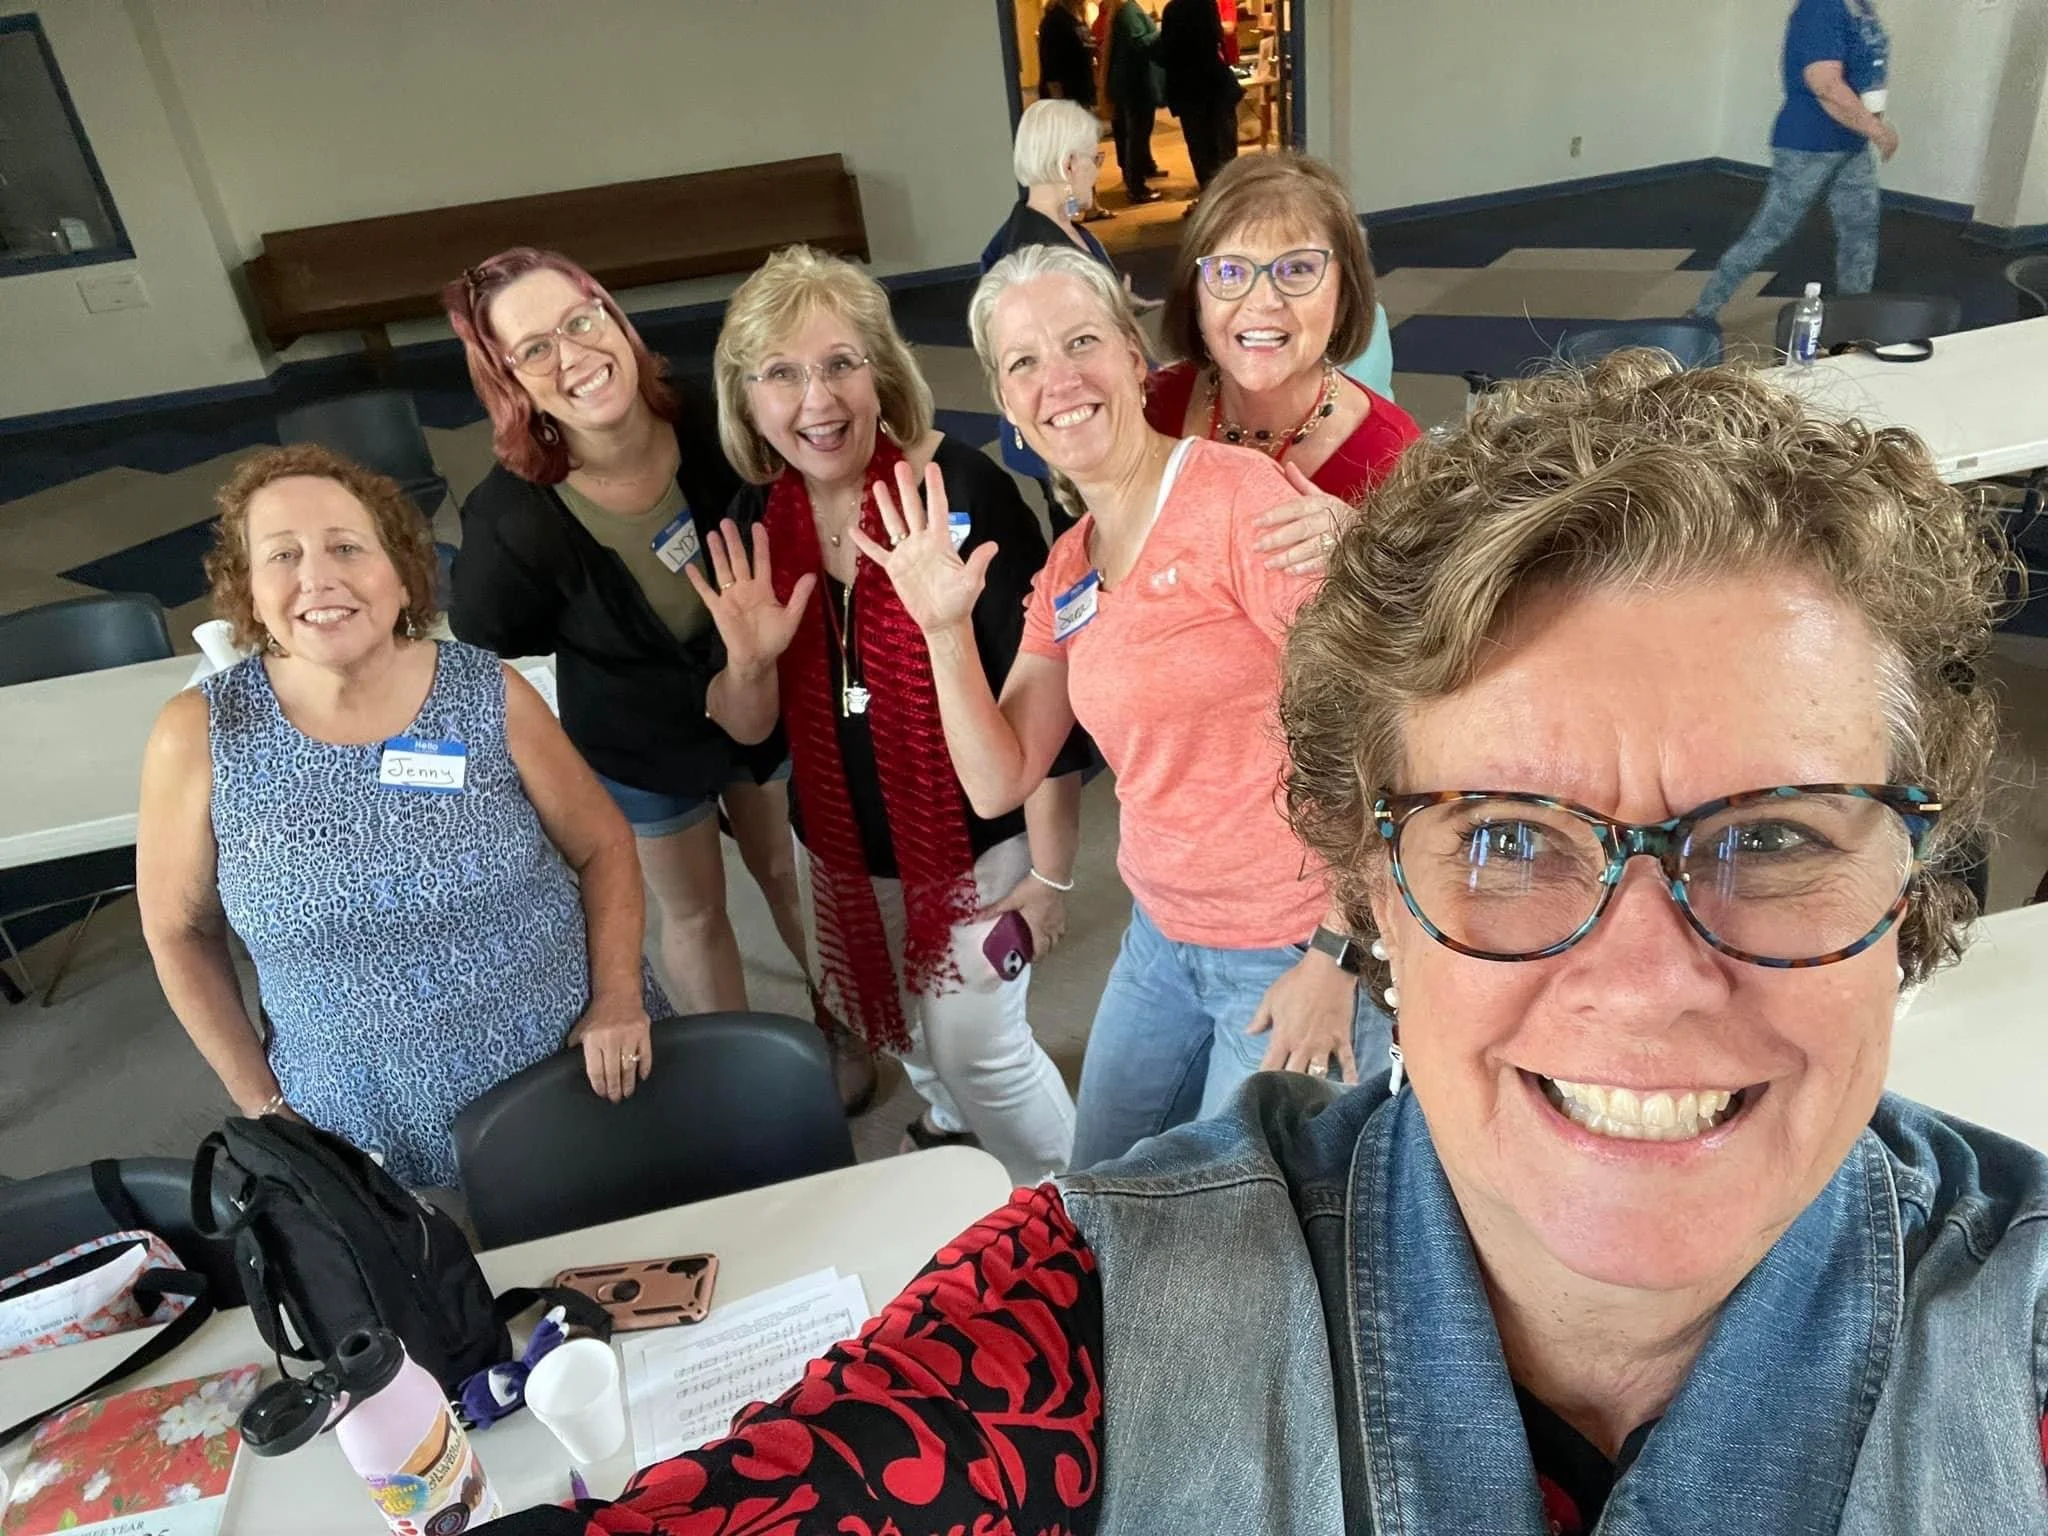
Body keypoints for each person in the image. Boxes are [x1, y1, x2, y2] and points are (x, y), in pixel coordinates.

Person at [496, 356, 2048, 1536]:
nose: (1646, 982)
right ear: (1373, 888)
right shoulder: (1088, 1319)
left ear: (1918, 884)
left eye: (1772, 837)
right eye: (1509, 840)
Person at [865, 242, 1388, 1169]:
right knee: (1101, 1189)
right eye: (1024, 362)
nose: (1058, 380)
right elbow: (999, 779)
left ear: (1134, 357)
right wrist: (943, 629)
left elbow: (1387, 726)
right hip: (1161, 941)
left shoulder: (1237, 503)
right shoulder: (1070, 564)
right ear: (1006, 401)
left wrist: (1338, 954)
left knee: (1235, 1225)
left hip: (1295, 946)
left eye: (1081, 342)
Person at [136, 446, 663, 1190]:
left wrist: (618, 998)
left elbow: (603, 843)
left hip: (573, 1075)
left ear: (401, 572)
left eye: (347, 547)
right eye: (282, 555)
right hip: (358, 1131)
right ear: (247, 589)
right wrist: (265, 1107)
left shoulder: (487, 692)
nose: (318, 578)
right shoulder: (199, 733)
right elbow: (178, 932)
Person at [440, 248, 876, 1112]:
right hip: (636, 736)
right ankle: (743, 1078)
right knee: (694, 911)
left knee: (791, 873)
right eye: (535, 350)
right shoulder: (510, 515)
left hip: (760, 692)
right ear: (510, 381)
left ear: (612, 316)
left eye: (580, 321)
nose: (572, 355)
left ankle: (847, 1026)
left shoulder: (720, 428)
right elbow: (492, 630)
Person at [692, 245, 1085, 1182]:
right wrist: (749, 661)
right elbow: (748, 732)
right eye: (781, 374)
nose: (817, 401)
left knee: (981, 1050)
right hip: (838, 848)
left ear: (883, 372)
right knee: (899, 1025)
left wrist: (1052, 878)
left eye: (840, 363)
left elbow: (1049, 693)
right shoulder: (757, 517)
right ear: (746, 399)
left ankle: (1077, 1203)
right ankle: (948, 1121)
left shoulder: (961, 492)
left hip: (979, 843)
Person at [1152, 152, 1422, 570]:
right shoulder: (1151, 408)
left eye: (1297, 269)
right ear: (1196, 299)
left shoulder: (1391, 456)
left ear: (1344, 296)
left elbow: (1429, 601)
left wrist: (1364, 552)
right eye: (1230, 272)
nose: (1263, 301)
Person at [1692, 0, 1894, 318]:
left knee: (1860, 232)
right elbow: (1824, 83)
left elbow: (1868, 75)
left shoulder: (1861, 10)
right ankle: (1702, 313)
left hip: (1851, 144)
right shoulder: (1821, 7)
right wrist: (1877, 130)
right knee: (1770, 231)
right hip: (1807, 145)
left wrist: (1869, 126)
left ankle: (1853, 317)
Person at [983, 97, 1119, 537]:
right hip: (1066, 415)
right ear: (1068, 165)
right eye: (1094, 159)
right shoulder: (1031, 255)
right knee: (1083, 528)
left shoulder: (1066, 229)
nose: (1097, 172)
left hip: (1085, 406)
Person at [1158, 0, 1242, 192]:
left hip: (1185, 88)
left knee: (1199, 148)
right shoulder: (1206, 4)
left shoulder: (1172, 9)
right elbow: (1217, 36)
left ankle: (1208, 192)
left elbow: (1165, 51)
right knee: (1224, 145)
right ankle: (1228, 193)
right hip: (1214, 83)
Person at [1100, 0, 1164, 203]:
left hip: (1130, 83)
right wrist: (1164, 31)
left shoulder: (1125, 9)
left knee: (1134, 133)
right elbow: (1140, 43)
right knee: (1137, 134)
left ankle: (1141, 172)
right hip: (1136, 83)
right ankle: (1137, 187)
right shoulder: (1128, 10)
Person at [1036, 0, 1096, 108]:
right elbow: (1050, 66)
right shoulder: (1054, 21)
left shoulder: (1078, 16)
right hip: (1065, 95)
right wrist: (1060, 106)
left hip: (1081, 92)